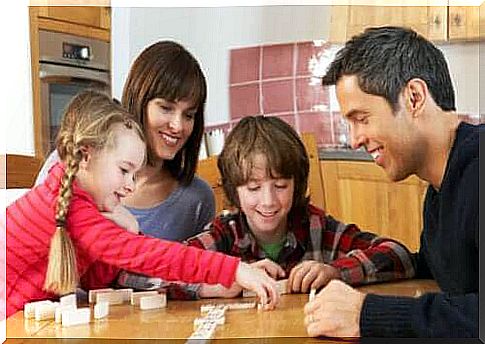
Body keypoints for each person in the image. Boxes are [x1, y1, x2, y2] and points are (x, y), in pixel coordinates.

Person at [6, 91, 280, 318]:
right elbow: (151, 255)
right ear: (84, 156)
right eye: (124, 170)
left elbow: (95, 282)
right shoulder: (71, 207)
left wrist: (126, 227)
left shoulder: (78, 205)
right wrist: (233, 269)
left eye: (135, 174)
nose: (130, 185)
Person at [303, 26, 480, 338]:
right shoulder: (442, 188)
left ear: (413, 97)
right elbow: (432, 267)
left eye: (362, 118)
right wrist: (340, 272)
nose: (355, 139)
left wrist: (366, 314)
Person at [162, 115, 415, 300]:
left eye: (280, 185)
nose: (269, 201)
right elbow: (147, 273)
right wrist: (220, 280)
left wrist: (335, 272)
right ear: (234, 191)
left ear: (297, 184)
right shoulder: (224, 234)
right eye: (253, 188)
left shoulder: (316, 226)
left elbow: (399, 254)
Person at [35, 41, 217, 290]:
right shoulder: (72, 164)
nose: (178, 125)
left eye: (189, 114)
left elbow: (189, 273)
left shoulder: (196, 199)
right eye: (166, 107)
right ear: (140, 100)